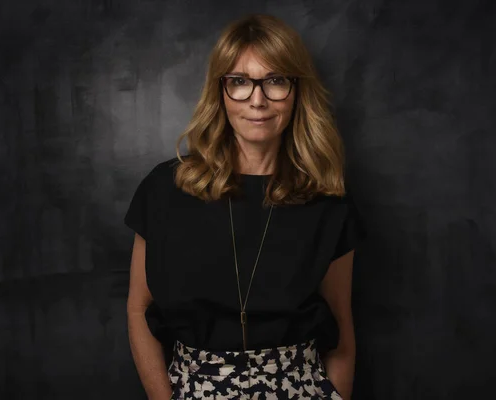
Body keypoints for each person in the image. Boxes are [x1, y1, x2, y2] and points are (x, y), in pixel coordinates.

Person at [125, 13, 367, 400]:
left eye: (275, 81)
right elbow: (139, 308)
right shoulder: (165, 189)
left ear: (296, 90)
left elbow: (341, 330)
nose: (257, 100)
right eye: (239, 82)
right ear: (220, 92)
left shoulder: (328, 200)